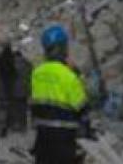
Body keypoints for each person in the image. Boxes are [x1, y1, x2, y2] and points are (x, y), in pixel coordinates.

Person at [31, 25, 90, 164]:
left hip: (42, 134)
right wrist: (77, 73)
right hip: (64, 136)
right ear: (63, 48)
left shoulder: (36, 73)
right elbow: (81, 106)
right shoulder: (68, 75)